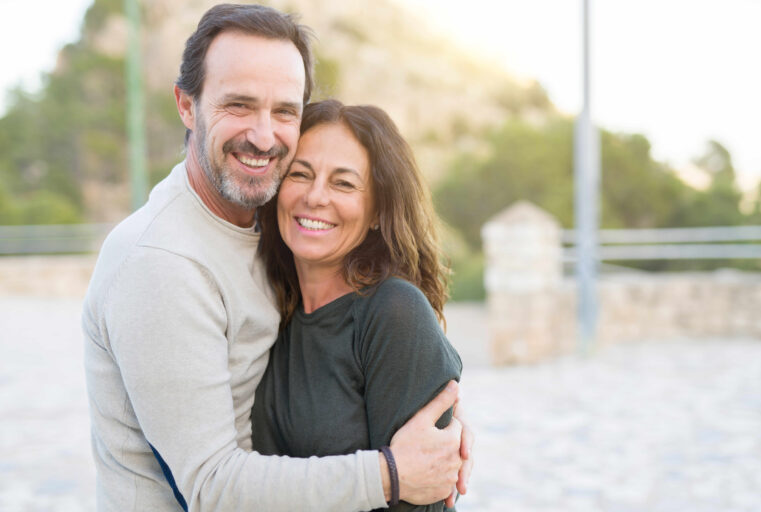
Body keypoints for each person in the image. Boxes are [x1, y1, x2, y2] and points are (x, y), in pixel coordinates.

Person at [82, 4, 472, 512]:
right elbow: (213, 486)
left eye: (285, 110)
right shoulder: (162, 262)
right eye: (239, 105)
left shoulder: (266, 229)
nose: (264, 137)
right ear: (185, 105)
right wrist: (392, 474)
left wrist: (436, 438)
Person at [251, 99, 463, 512]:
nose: (315, 197)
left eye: (343, 184)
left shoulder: (394, 313)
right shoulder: (266, 304)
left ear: (377, 213)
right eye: (300, 173)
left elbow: (426, 496)